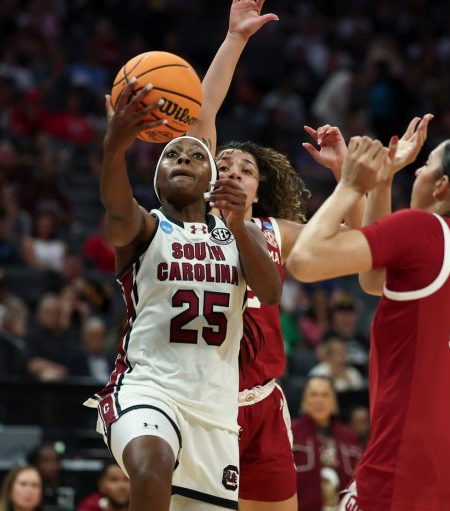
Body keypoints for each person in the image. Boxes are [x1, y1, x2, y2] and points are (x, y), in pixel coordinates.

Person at [85, 38, 282, 511]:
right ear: (156, 178)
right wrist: (114, 150)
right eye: (173, 156)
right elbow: (116, 211)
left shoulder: (237, 234)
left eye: (195, 157)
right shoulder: (146, 227)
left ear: (211, 179)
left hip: (213, 411)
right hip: (146, 389)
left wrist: (240, 226)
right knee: (151, 468)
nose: (184, 161)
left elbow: (271, 291)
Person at [286, 129, 450, 510]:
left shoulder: (424, 230)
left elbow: (305, 260)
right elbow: (375, 279)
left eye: (426, 164)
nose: (417, 171)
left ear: (441, 185)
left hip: (414, 459)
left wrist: (351, 185)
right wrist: (381, 182)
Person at [186, 2, 361, 508]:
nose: (233, 172)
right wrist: (235, 39)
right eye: (224, 165)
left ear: (259, 192)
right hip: (199, 403)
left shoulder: (275, 232)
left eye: (246, 170)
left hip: (261, 403)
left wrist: (346, 175)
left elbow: (360, 237)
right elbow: (202, 113)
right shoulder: (189, 220)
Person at [291, 376, 362, 511]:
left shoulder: (350, 437)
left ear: (334, 400)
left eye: (325, 395)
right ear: (304, 400)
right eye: (314, 395)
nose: (319, 400)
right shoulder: (290, 433)